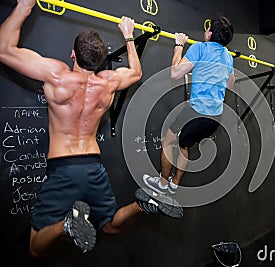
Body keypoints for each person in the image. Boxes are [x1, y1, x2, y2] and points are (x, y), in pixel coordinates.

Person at [0, 0, 182, 257]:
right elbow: (135, 72)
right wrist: (129, 36)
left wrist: (24, 7)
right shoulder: (107, 83)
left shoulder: (57, 75)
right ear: (100, 61)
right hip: (94, 165)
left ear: (73, 54)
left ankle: (66, 225)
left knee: (35, 247)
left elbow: (4, 49)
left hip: (63, 167)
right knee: (110, 226)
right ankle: (145, 205)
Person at [142, 16, 235, 194]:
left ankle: (162, 185)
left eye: (208, 29)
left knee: (168, 141)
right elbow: (230, 85)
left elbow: (175, 73)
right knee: (184, 144)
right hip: (215, 118)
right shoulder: (228, 57)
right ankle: (174, 184)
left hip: (197, 112)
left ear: (209, 34)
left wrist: (179, 44)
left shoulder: (200, 48)